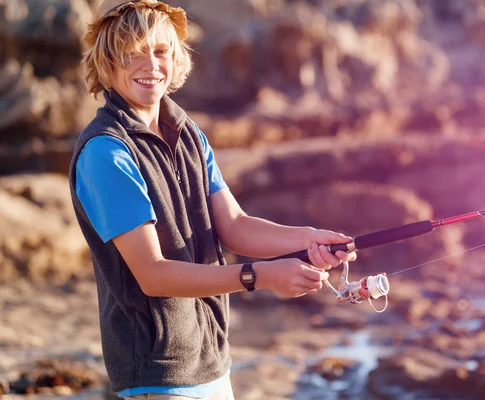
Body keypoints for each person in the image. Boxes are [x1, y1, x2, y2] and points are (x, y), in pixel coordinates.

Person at [68, 1, 357, 399]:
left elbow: (234, 226)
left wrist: (308, 239)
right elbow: (153, 275)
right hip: (158, 377)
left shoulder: (188, 134)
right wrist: (261, 277)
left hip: (213, 363)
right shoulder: (106, 154)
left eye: (160, 50)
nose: (149, 64)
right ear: (107, 61)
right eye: (132, 52)